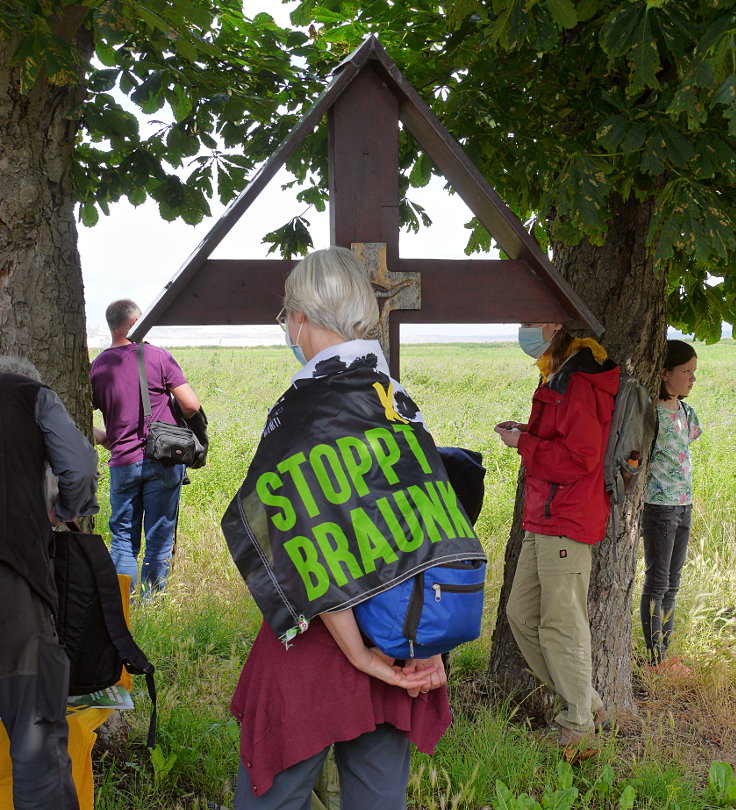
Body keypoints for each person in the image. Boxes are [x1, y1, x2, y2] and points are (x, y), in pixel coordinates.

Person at [223, 247, 466, 809]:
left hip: (318, 647)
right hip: (400, 634)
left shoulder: (300, 409)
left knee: (272, 797)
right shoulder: (400, 403)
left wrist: (356, 653)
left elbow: (300, 544)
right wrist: (423, 643)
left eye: (287, 318)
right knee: (378, 797)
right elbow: (435, 523)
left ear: (300, 318)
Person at [495, 323, 619, 747]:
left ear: (553, 326)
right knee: (522, 615)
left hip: (565, 519)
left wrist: (523, 446)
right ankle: (587, 703)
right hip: (545, 518)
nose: (524, 330)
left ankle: (578, 726)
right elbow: (561, 441)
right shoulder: (559, 373)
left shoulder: (579, 381)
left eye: (532, 320)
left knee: (562, 626)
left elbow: (580, 458)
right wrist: (526, 435)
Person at [0, 355, 99, 810]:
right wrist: (59, 512)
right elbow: (78, 468)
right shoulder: (30, 396)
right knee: (34, 740)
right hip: (14, 584)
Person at [90, 299, 201, 595]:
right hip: (163, 459)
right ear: (135, 322)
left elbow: (78, 417)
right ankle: (151, 605)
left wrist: (104, 437)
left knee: (123, 540)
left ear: (111, 325)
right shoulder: (158, 357)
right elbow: (191, 405)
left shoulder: (98, 366)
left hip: (122, 462)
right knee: (159, 537)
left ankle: (122, 610)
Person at [640, 339, 701, 672]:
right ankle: (655, 659)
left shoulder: (686, 412)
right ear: (664, 373)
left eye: (694, 372)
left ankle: (664, 650)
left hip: (683, 504)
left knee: (672, 583)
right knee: (658, 581)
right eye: (686, 372)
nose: (692, 378)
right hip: (658, 507)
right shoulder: (652, 413)